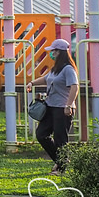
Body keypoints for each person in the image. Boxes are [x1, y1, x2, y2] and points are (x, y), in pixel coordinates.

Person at [27, 38, 79, 174]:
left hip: (62, 108)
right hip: (50, 106)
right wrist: (32, 83)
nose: (51, 53)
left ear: (59, 52)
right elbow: (46, 79)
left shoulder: (68, 69)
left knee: (60, 138)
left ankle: (61, 168)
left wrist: (69, 105)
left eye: (53, 51)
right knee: (41, 134)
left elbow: (75, 86)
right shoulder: (55, 68)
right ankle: (61, 161)